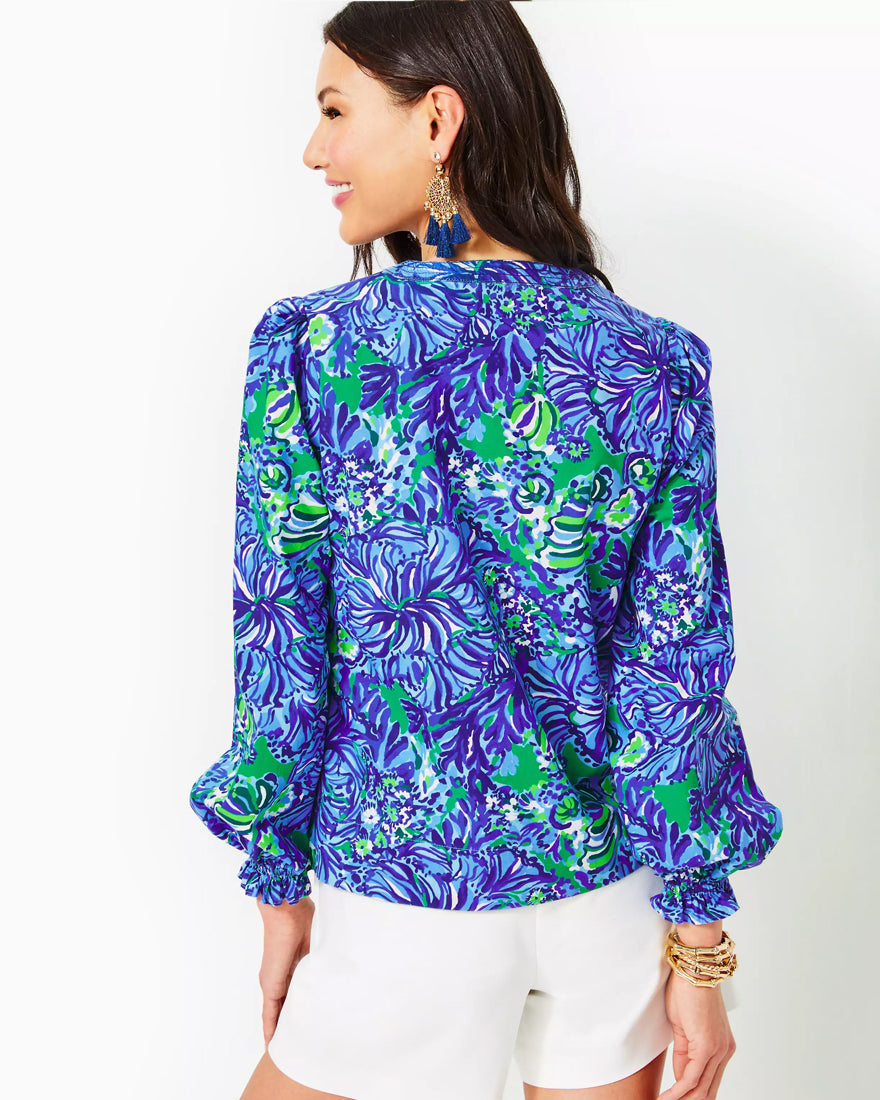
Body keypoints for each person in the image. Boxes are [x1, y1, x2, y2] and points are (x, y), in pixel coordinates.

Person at [189, 4, 784, 1099]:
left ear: (437, 120)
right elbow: (674, 666)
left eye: (334, 111)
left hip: (406, 902)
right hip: (610, 909)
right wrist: (698, 945)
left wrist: (278, 886)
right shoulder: (654, 362)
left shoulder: (316, 348)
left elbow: (281, 644)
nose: (315, 149)